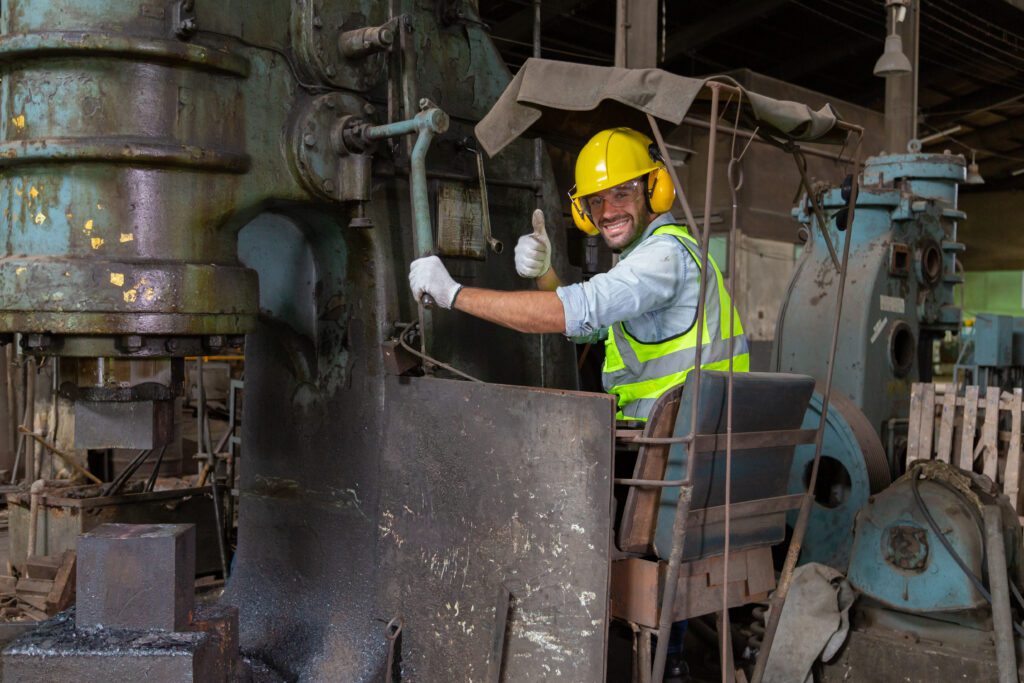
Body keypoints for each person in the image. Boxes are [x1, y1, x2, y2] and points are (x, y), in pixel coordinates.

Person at [408, 126, 749, 422]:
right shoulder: (648, 257)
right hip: (678, 433)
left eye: (621, 193)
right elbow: (593, 328)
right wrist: (547, 274)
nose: (607, 211)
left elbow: (575, 310)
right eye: (595, 201)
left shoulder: (664, 256)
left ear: (654, 188)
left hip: (680, 445)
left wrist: (453, 293)